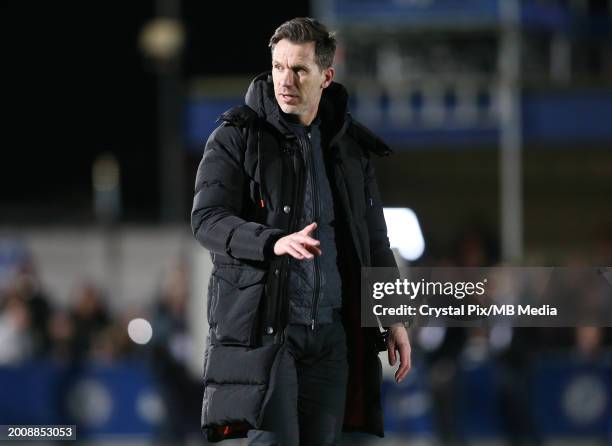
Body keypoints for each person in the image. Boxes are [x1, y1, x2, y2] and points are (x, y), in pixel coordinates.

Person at [191, 17, 411, 445]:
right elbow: (207, 220)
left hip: (332, 338)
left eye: (299, 70)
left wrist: (395, 317)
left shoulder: (350, 150)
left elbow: (374, 243)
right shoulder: (236, 137)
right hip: (268, 334)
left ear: (326, 76)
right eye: (278, 67)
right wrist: (272, 241)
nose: (285, 80)